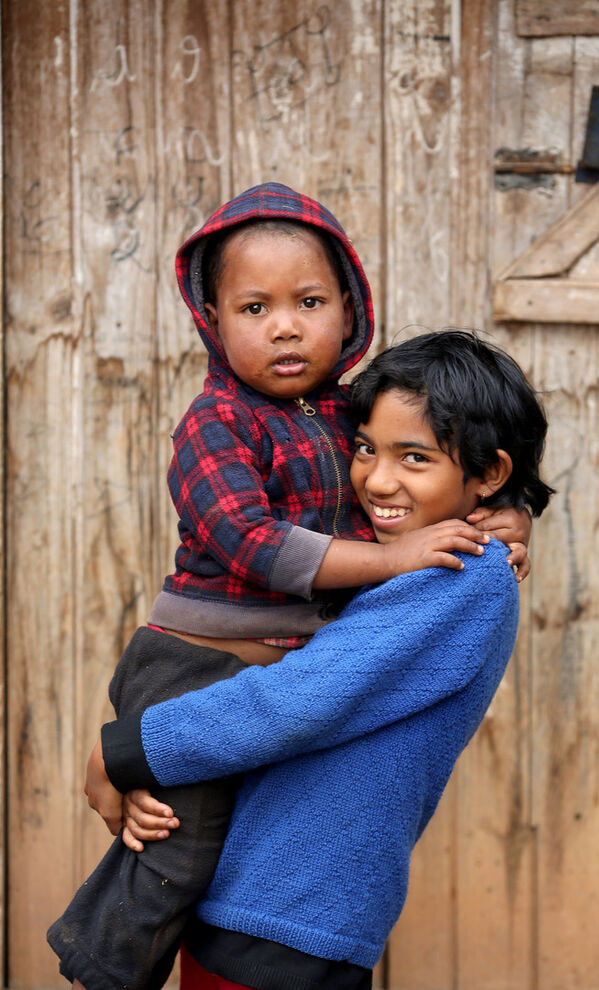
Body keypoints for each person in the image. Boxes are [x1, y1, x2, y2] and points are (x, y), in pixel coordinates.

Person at [48, 183, 530, 990]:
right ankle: (101, 965)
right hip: (194, 659)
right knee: (177, 841)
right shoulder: (217, 421)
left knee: (187, 831)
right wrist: (411, 547)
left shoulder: (368, 449)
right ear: (212, 320)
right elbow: (250, 541)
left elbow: (300, 697)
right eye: (254, 308)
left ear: (349, 309)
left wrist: (509, 511)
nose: (284, 326)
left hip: (286, 912)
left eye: (309, 302)